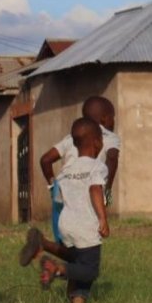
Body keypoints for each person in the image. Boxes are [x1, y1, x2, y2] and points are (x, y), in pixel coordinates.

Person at [22, 117, 109, 303]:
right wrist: (103, 218)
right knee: (90, 270)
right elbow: (95, 189)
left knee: (78, 260)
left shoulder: (66, 170)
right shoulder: (98, 166)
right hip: (86, 226)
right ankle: (57, 268)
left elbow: (59, 197)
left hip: (66, 223)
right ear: (97, 142)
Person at [40, 96, 120, 242]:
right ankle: (50, 248)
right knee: (88, 238)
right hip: (88, 187)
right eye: (112, 118)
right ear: (104, 118)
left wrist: (53, 188)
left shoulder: (71, 137)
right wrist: (107, 189)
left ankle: (48, 247)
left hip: (63, 187)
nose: (113, 122)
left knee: (65, 238)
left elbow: (45, 160)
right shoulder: (109, 137)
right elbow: (113, 157)